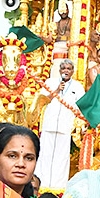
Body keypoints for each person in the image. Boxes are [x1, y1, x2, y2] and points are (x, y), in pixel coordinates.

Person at [36, 58, 84, 189]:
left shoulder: (78, 87)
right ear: (59, 70)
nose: (66, 71)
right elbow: (42, 101)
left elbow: (81, 108)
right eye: (64, 68)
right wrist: (56, 90)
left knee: (61, 158)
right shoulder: (50, 82)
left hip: (65, 126)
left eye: (69, 69)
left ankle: (59, 188)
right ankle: (42, 186)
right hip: (49, 124)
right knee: (45, 155)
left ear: (73, 71)